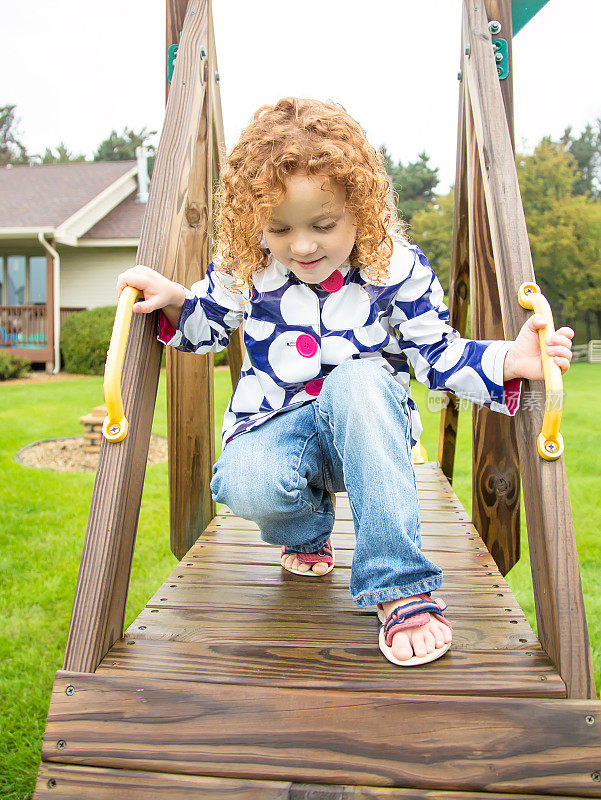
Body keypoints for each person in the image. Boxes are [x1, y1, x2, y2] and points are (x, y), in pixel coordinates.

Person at [116, 97, 574, 667]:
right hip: (278, 428)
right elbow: (206, 323)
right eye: (280, 228)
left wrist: (512, 360)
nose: (302, 246)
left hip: (367, 429)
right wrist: (175, 298)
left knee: (359, 379)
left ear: (361, 209)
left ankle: (400, 586)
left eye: (323, 225)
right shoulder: (249, 268)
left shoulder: (396, 270)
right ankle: (307, 530)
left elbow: (438, 356)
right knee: (243, 481)